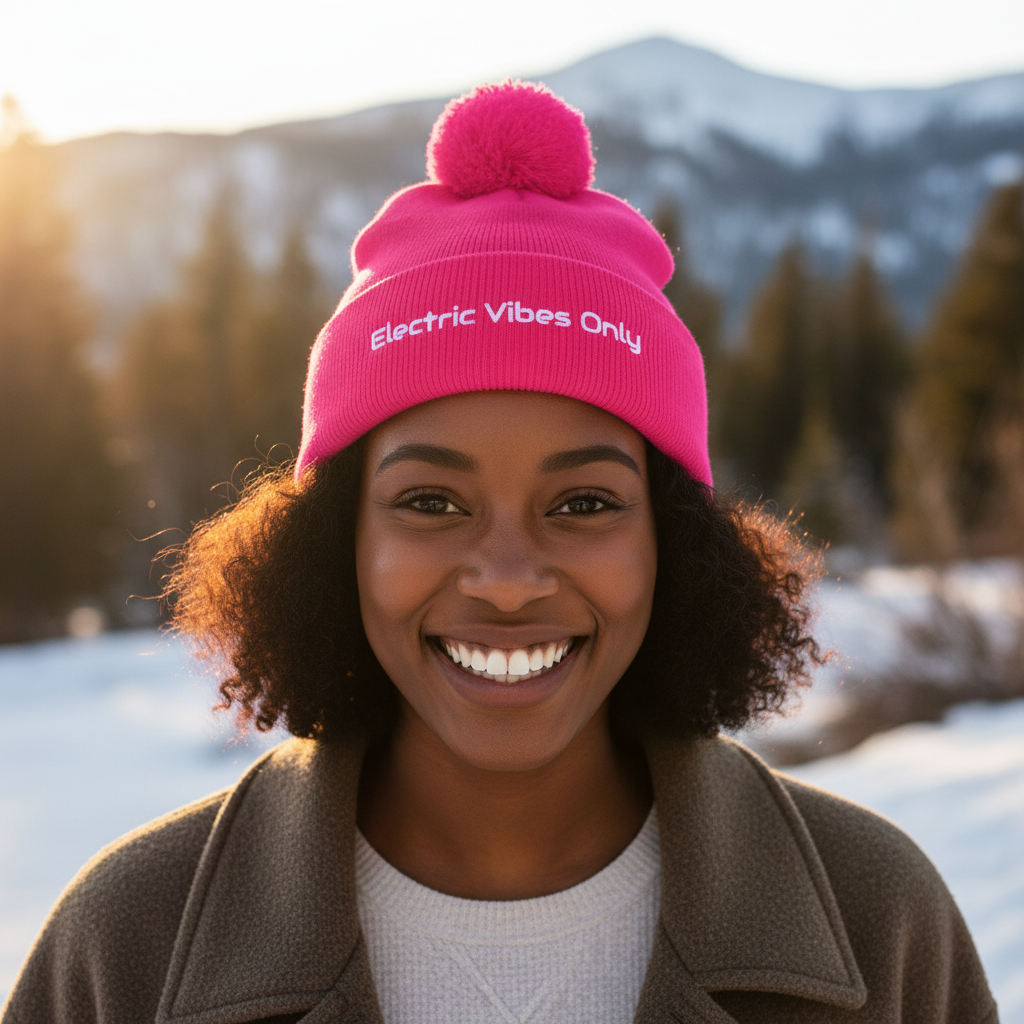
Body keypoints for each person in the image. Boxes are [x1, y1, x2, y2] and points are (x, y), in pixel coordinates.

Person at [2, 81, 997, 1024]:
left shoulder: (879, 924)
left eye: (582, 503)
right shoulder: (126, 945)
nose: (510, 580)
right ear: (334, 542)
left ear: (674, 545)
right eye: (432, 502)